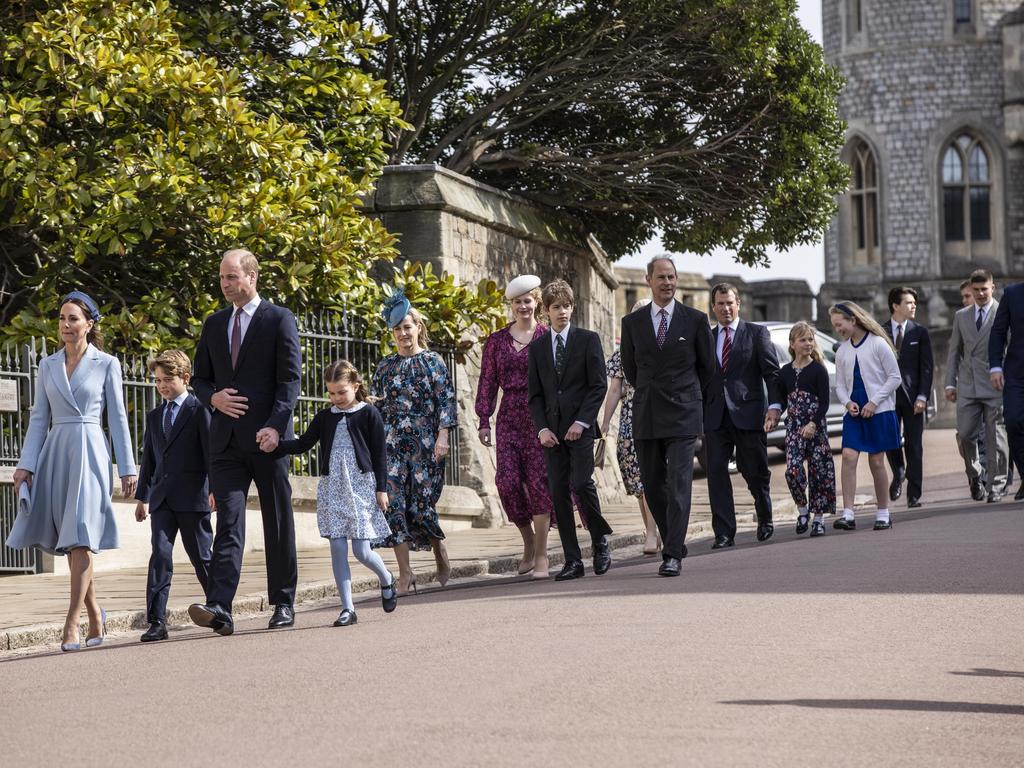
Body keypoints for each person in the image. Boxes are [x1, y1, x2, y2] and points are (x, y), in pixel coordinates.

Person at [7, 292, 137, 651]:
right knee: (71, 542)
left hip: (90, 451)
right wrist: (26, 465)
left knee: (80, 535)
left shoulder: (107, 363)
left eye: (73, 319)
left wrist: (127, 467)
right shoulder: (47, 366)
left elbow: (119, 419)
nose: (65, 325)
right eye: (62, 318)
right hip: (56, 454)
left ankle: (71, 624)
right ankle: (96, 614)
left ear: (89, 324)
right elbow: (38, 420)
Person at [188, 249, 302, 636]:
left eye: (232, 277)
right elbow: (200, 379)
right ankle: (220, 605)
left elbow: (289, 382)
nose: (225, 284)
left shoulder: (279, 319)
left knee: (277, 521)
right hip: (226, 443)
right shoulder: (214, 324)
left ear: (252, 277)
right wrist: (212, 398)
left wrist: (275, 427)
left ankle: (283, 601)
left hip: (267, 440)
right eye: (222, 277)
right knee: (229, 524)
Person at [270, 360, 397, 626]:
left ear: (355, 386)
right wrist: (276, 446)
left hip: (361, 485)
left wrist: (381, 489)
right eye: (331, 393)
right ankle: (348, 609)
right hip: (332, 486)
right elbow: (304, 442)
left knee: (362, 551)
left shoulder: (369, 414)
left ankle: (386, 578)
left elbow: (380, 454)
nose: (336, 398)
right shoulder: (326, 416)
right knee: (338, 548)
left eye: (342, 392)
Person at [620, 257, 715, 577]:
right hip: (647, 412)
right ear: (648, 280)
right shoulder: (631, 324)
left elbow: (707, 368)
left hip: (683, 412)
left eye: (672, 277)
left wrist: (690, 399)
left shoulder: (695, 319)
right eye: (661, 277)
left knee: (678, 483)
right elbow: (631, 371)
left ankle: (672, 552)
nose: (667, 282)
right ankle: (674, 536)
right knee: (652, 484)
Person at [527, 279, 613, 580]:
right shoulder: (537, 348)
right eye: (555, 307)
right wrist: (542, 430)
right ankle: (573, 560)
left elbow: (598, 385)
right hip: (552, 434)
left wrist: (582, 422)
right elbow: (535, 395)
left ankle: (600, 540)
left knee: (581, 483)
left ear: (572, 307)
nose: (562, 312)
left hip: (581, 428)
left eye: (566, 306)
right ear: (546, 311)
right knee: (558, 492)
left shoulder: (588, 340)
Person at [372, 292, 457, 595]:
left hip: (426, 444)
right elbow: (377, 407)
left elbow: (447, 402)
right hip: (392, 445)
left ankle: (439, 552)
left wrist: (443, 437)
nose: (402, 334)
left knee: (422, 505)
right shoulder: (385, 366)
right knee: (393, 504)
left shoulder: (433, 362)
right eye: (397, 330)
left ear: (418, 328)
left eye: (407, 327)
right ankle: (405, 573)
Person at [475, 275, 557, 578]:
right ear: (511, 305)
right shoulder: (496, 340)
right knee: (507, 483)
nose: (523, 306)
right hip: (509, 417)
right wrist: (484, 418)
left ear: (536, 302)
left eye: (528, 300)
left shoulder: (546, 336)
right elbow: (487, 381)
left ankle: (541, 555)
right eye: (517, 302)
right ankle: (529, 542)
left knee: (538, 484)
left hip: (539, 417)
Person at [134, 350, 213, 643]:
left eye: (168, 379)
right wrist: (143, 498)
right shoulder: (155, 416)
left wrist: (214, 490)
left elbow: (210, 455)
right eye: (157, 381)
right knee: (160, 557)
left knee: (203, 557)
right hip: (162, 499)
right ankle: (156, 621)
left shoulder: (200, 410)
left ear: (185, 378)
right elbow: (150, 461)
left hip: (194, 498)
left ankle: (219, 609)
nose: (163, 386)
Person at [703, 282, 781, 548]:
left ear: (738, 304)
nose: (725, 308)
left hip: (749, 414)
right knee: (715, 473)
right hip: (714, 417)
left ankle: (765, 517)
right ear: (713, 307)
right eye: (720, 304)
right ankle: (724, 532)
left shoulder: (757, 334)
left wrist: (775, 407)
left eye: (730, 303)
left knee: (755, 471)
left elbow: (772, 373)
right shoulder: (707, 338)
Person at [829, 302, 902, 531]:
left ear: (853, 320)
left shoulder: (878, 344)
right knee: (849, 456)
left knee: (876, 461)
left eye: (840, 324)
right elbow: (840, 386)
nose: (838, 329)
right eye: (834, 326)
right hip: (854, 412)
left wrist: (874, 402)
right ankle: (848, 514)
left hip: (878, 410)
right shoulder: (842, 351)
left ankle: (883, 513)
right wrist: (848, 402)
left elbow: (894, 377)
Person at [601, 298, 660, 555]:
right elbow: (614, 390)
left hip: (659, 416)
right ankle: (652, 530)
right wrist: (604, 424)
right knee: (638, 482)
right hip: (630, 419)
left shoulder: (663, 347)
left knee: (654, 479)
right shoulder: (623, 352)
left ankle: (655, 532)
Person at [945, 269, 1008, 503]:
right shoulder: (961, 316)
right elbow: (954, 352)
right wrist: (949, 383)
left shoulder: (1003, 312)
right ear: (970, 290)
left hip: (995, 384)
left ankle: (997, 486)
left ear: (993, 287)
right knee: (965, 435)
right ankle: (975, 474)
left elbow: (1010, 349)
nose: (980, 293)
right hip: (968, 385)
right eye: (976, 289)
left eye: (985, 289)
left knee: (996, 437)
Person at [770, 323, 836, 537]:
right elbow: (780, 399)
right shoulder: (785, 372)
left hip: (815, 426)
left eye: (810, 339)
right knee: (793, 471)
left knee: (820, 473)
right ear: (792, 344)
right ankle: (803, 510)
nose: (808, 343)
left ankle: (818, 519)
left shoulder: (818, 370)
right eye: (803, 340)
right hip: (794, 428)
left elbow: (824, 403)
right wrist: (773, 416)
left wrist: (813, 424)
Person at [882, 286, 933, 509]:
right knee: (891, 441)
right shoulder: (879, 331)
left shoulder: (919, 332)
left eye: (915, 302)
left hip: (914, 400)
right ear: (895, 305)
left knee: (914, 446)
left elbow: (927, 367)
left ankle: (914, 494)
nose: (914, 306)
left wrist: (923, 395)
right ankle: (898, 472)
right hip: (888, 398)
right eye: (909, 302)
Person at [989, 281, 1024, 500]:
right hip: (1016, 373)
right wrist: (995, 366)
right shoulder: (1012, 294)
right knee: (1013, 422)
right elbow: (998, 332)